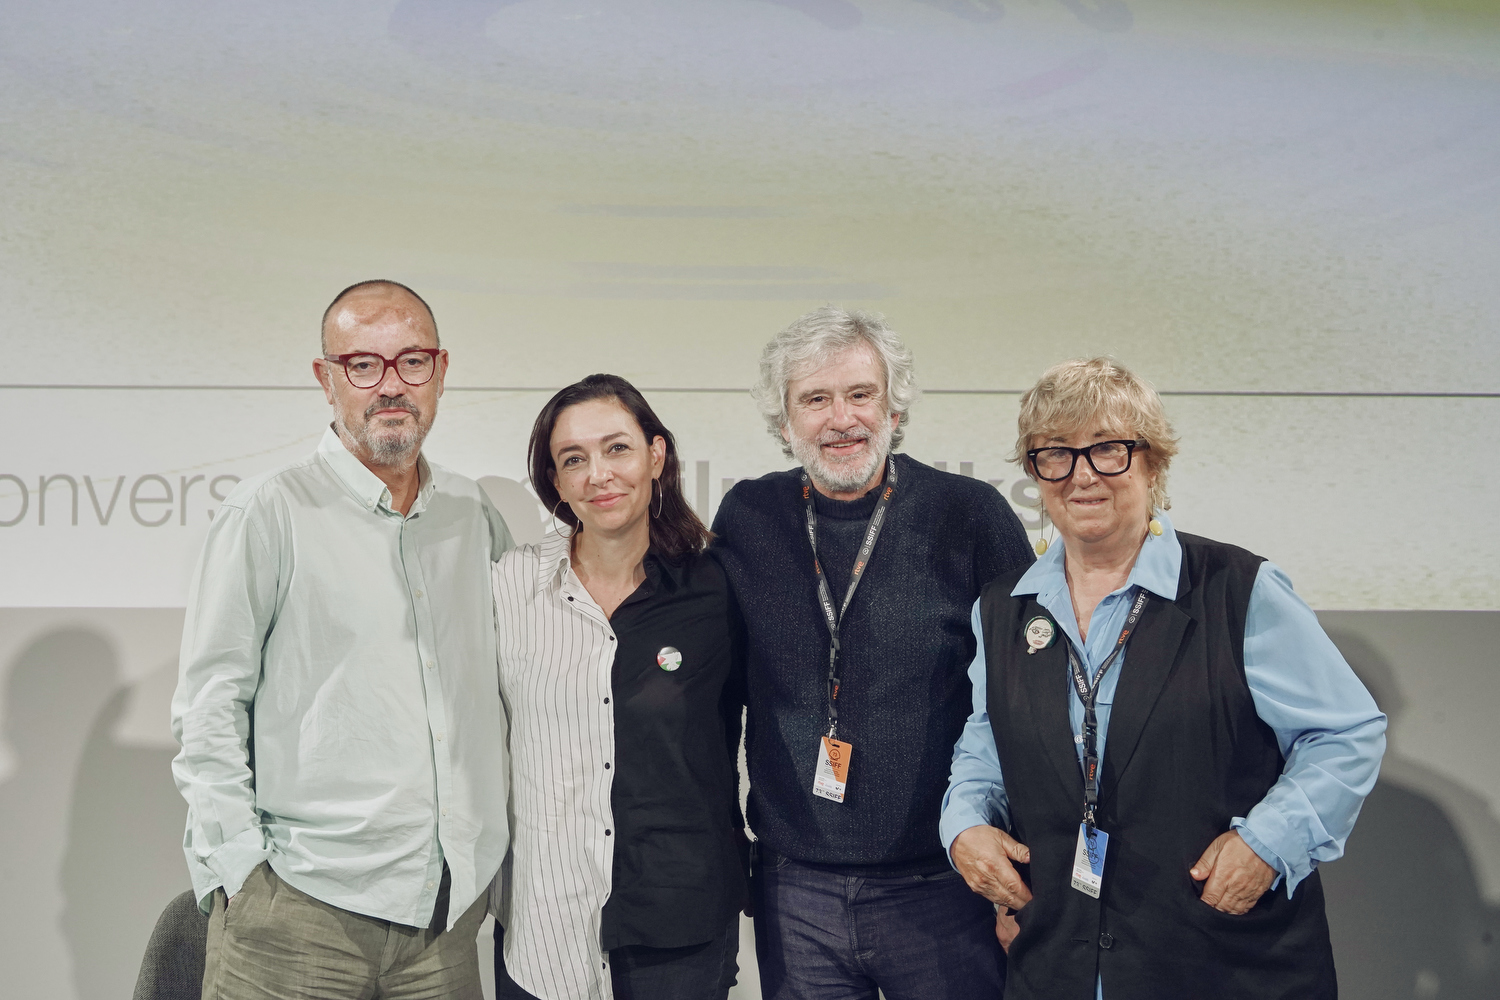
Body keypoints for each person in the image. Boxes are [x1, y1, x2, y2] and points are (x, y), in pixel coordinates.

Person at [941, 356, 1387, 999]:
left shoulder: (1240, 590)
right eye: (1056, 453)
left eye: (1108, 449)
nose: (1082, 475)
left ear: (1153, 462)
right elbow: (987, 738)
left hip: (1220, 962)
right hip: (1059, 961)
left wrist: (1269, 843)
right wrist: (964, 823)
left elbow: (1346, 734)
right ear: (1034, 472)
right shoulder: (1002, 608)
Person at [171, 280, 513, 1000]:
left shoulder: (471, 513)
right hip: (298, 912)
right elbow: (209, 705)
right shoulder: (268, 512)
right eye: (363, 365)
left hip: (445, 921)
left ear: (440, 372)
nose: (391, 386)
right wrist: (241, 871)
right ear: (326, 379)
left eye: (411, 362)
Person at [711, 307, 1033, 1000]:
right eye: (815, 399)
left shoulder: (971, 515)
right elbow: (718, 694)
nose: (842, 419)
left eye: (860, 394)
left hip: (945, 883)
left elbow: (1028, 702)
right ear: (784, 420)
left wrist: (1024, 880)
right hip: (794, 889)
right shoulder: (748, 516)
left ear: (894, 407)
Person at [491, 374, 747, 1000]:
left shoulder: (718, 588)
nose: (598, 475)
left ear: (656, 455)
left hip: (680, 926)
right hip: (544, 927)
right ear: (555, 482)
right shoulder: (510, 586)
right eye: (573, 459)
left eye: (617, 449)